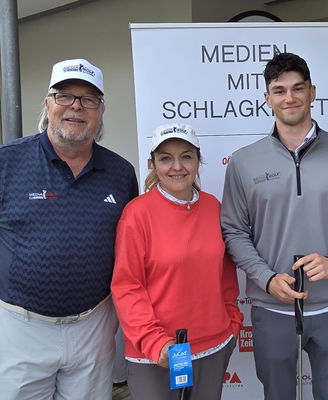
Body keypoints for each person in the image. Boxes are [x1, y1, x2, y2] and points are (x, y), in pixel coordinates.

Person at [0, 58, 139, 400]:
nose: (76, 106)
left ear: (101, 111)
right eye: (64, 96)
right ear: (48, 104)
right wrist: (15, 288)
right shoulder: (0, 164)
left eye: (88, 99)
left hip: (93, 326)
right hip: (17, 329)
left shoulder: (120, 173)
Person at [220, 52, 328, 400]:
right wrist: (266, 278)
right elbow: (234, 231)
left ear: (312, 92)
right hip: (272, 306)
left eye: (298, 88)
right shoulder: (243, 162)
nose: (289, 97)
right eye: (279, 90)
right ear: (267, 98)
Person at [111, 123, 243, 400]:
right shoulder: (137, 214)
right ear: (153, 164)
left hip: (212, 345)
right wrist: (153, 341)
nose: (177, 167)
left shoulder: (213, 207)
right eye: (166, 158)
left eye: (186, 156)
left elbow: (225, 275)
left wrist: (232, 322)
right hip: (159, 351)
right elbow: (127, 286)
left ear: (198, 160)